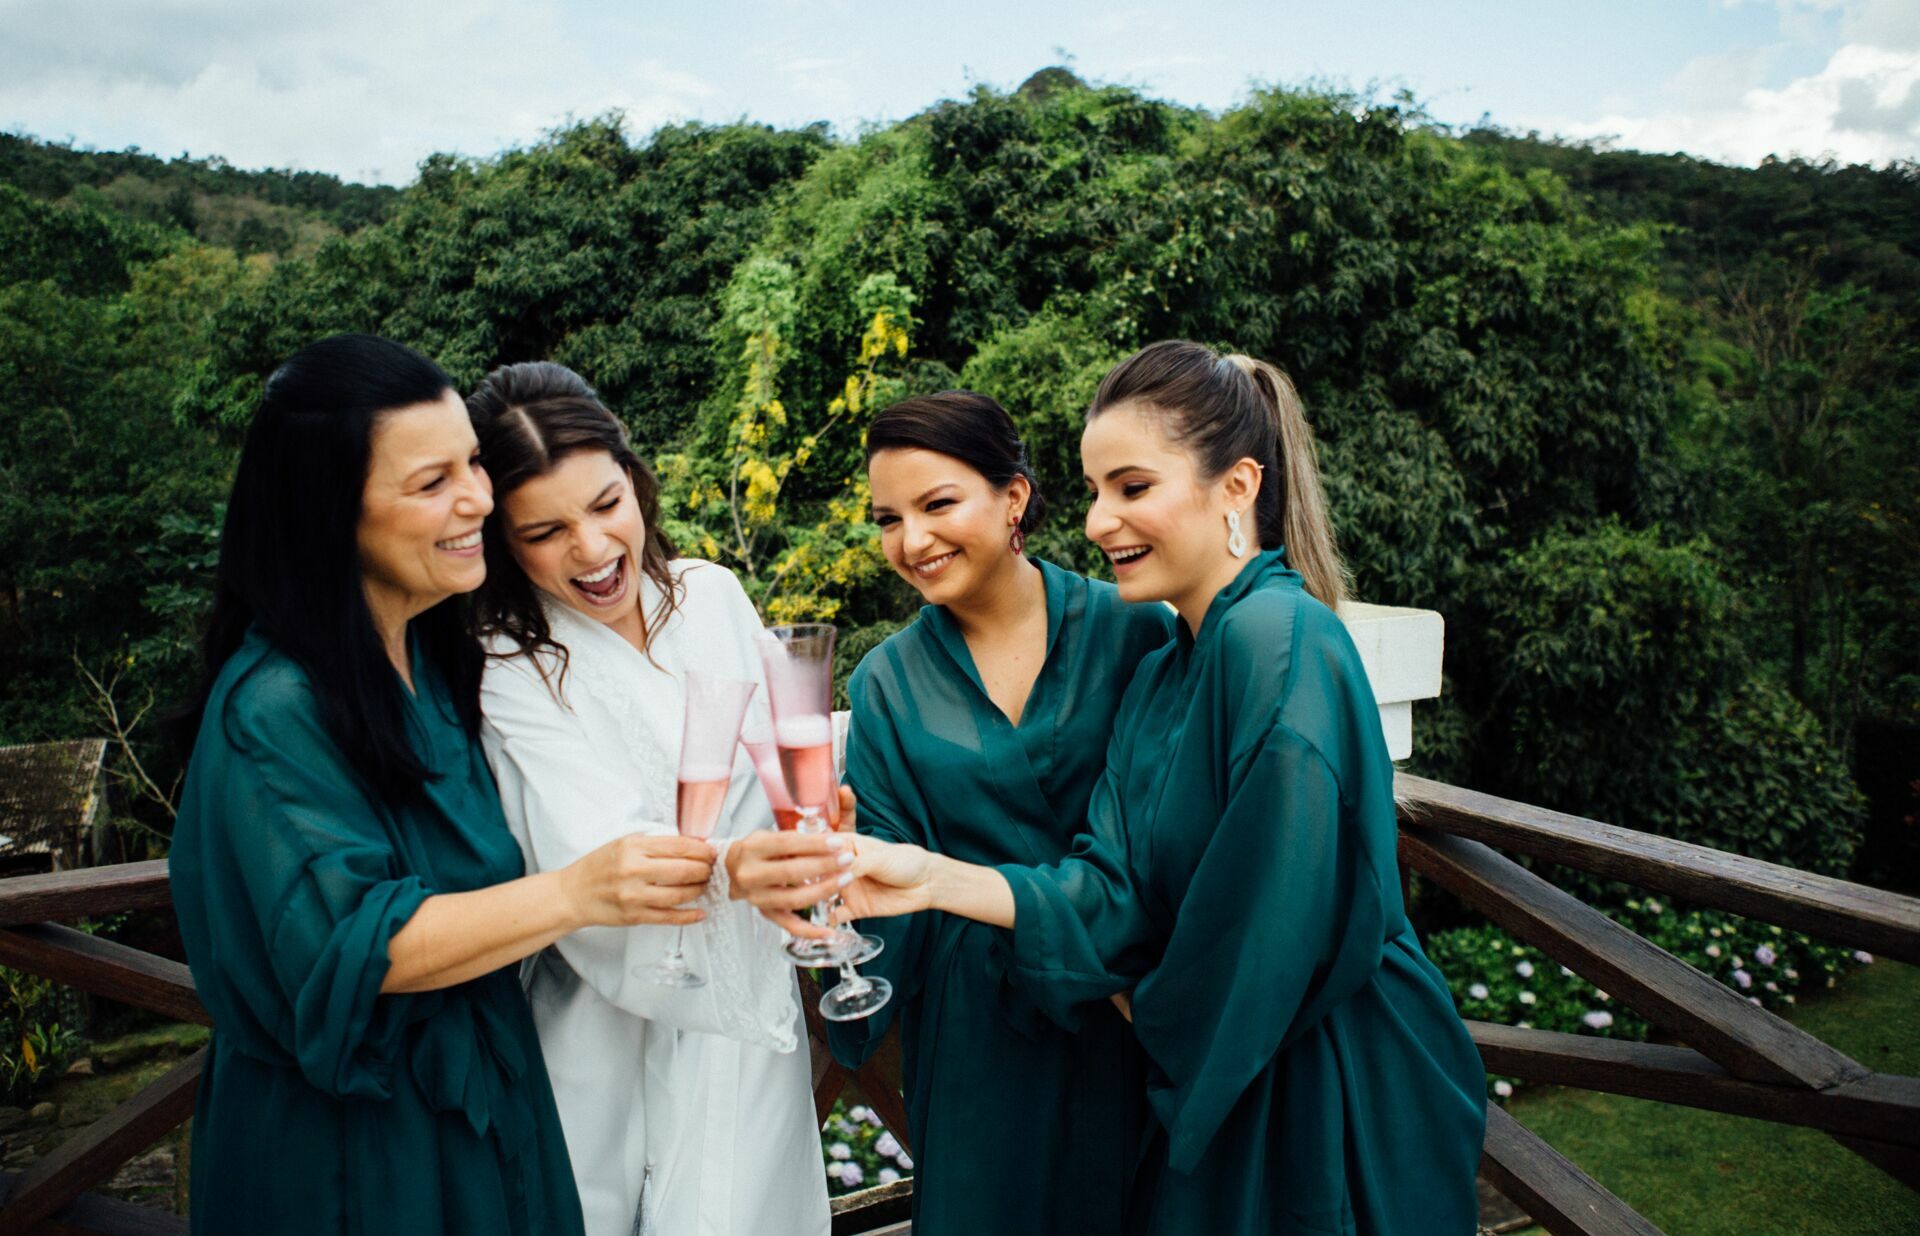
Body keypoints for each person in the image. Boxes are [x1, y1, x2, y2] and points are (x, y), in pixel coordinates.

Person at [749, 342, 1488, 1233]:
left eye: (1132, 489)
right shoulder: (1169, 663)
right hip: (1108, 1050)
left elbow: (1274, 915)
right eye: (1099, 491)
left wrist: (1140, 1001)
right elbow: (1115, 883)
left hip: (1302, 1068)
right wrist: (906, 876)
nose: (1101, 521)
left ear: (1238, 487)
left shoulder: (1266, 639)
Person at [170, 335, 716, 1234]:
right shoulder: (271, 710)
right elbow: (355, 944)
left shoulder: (437, 653)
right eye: (432, 483)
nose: (479, 498)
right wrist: (578, 893)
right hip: (357, 1148)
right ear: (328, 512)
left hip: (489, 1106)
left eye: (471, 460)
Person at [466, 361, 831, 1236]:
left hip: (751, 1001)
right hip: (604, 1021)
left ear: (635, 479)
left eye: (605, 504)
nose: (592, 551)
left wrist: (815, 826)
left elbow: (781, 758)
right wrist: (743, 867)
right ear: (504, 544)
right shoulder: (506, 664)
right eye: (545, 531)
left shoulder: (709, 594)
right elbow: (588, 849)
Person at [806, 390, 1175, 1235]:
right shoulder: (887, 682)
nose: (913, 540)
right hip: (980, 1045)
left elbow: (1174, 829)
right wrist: (828, 904)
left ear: (1013, 497)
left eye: (938, 504)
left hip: (1127, 1013)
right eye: (889, 518)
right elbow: (888, 879)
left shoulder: (1133, 629)